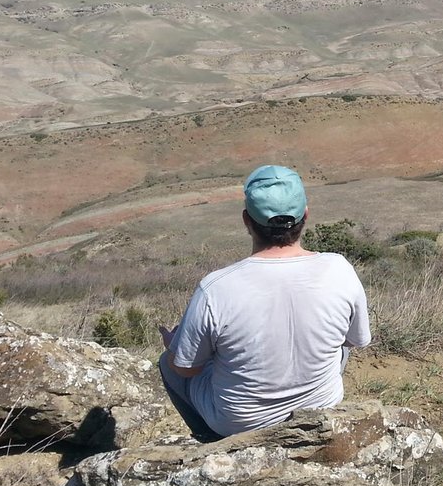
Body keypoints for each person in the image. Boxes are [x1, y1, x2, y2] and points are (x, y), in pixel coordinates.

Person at [158, 164, 370, 440]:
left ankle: (212, 444)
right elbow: (356, 340)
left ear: (247, 220)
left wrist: (176, 346)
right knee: (341, 347)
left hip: (239, 424)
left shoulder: (216, 288)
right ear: (305, 215)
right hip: (320, 407)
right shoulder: (339, 269)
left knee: (168, 363)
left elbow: (187, 368)